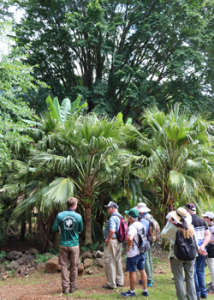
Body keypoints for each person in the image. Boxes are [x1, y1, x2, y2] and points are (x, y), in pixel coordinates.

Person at [161, 207, 201, 300]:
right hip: (191, 256)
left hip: (176, 256)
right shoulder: (191, 227)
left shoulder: (173, 227)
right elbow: (195, 241)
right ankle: (193, 298)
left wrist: (169, 223)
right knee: (190, 279)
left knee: (179, 279)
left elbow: (163, 234)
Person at [52, 197, 83, 294]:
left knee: (64, 266)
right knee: (74, 266)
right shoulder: (78, 216)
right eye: (76, 204)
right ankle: (73, 287)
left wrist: (61, 230)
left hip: (63, 244)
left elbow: (54, 228)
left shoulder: (60, 215)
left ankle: (65, 288)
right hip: (74, 245)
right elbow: (81, 229)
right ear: (74, 205)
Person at [184, 203, 211, 300]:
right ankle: (204, 293)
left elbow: (189, 238)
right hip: (203, 250)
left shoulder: (187, 222)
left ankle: (197, 293)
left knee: (193, 272)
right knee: (201, 272)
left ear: (187, 210)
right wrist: (203, 246)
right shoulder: (201, 221)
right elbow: (208, 235)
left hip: (193, 250)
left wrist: (198, 248)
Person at [121, 208, 149, 298]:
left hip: (133, 253)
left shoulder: (132, 227)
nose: (127, 217)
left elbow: (130, 238)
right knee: (142, 270)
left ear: (130, 218)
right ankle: (145, 290)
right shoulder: (141, 224)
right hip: (142, 251)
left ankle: (132, 292)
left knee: (132, 272)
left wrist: (128, 246)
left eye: (128, 216)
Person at [103, 201, 124, 289]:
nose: (107, 209)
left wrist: (108, 239)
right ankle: (120, 281)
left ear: (113, 208)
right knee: (117, 260)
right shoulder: (121, 217)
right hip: (119, 242)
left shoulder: (113, 218)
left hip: (113, 241)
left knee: (110, 261)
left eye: (108, 208)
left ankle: (111, 283)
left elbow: (112, 230)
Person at [134, 202, 154, 287]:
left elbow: (143, 232)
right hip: (151, 239)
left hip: (146, 241)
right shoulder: (150, 216)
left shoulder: (143, 219)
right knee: (149, 259)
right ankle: (150, 277)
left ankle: (148, 280)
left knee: (146, 259)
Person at [202, 211, 214, 294]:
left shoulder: (213, 227)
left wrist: (207, 241)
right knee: (210, 266)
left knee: (211, 266)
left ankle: (213, 286)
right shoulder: (209, 226)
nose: (204, 218)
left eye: (205, 217)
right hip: (209, 247)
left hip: (212, 248)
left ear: (209, 218)